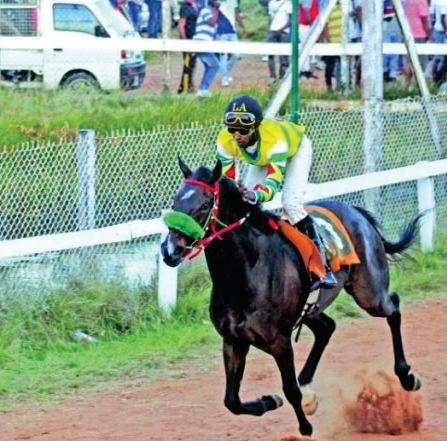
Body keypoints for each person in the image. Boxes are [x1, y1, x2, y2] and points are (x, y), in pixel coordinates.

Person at [216, 95, 337, 290]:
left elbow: (273, 184)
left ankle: (323, 266)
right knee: (244, 206)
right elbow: (228, 180)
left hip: (295, 150)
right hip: (262, 157)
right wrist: (238, 193)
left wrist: (256, 195)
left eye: (243, 130)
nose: (237, 135)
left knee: (290, 204)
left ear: (255, 127)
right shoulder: (224, 140)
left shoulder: (275, 140)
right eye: (232, 129)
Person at [192, 0, 220, 97]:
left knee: (210, 66)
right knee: (215, 66)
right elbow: (212, 23)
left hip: (206, 43)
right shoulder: (206, 10)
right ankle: (203, 89)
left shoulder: (211, 12)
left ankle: (203, 89)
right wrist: (216, 9)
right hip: (201, 42)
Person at [216, 0, 246, 87]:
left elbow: (236, 14)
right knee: (223, 56)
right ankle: (224, 78)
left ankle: (226, 72)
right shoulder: (217, 2)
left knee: (236, 54)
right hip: (221, 32)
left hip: (232, 32)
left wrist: (243, 27)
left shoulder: (233, 1)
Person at [177, 0, 201, 93]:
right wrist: (184, 40)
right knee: (188, 65)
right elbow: (181, 25)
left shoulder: (195, 6)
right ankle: (184, 87)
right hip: (189, 39)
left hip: (194, 39)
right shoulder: (185, 7)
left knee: (192, 64)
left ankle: (188, 85)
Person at [267, 0, 292, 85]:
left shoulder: (288, 4)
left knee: (284, 56)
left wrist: (281, 29)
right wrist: (270, 30)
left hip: (284, 32)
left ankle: (282, 76)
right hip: (273, 31)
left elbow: (291, 20)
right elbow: (270, 17)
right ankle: (272, 76)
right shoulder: (271, 3)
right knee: (270, 55)